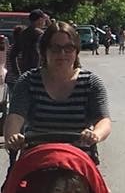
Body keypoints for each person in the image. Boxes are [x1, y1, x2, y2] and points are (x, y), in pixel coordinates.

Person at [4, 22, 111, 161]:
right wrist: (13, 136)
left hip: (78, 160)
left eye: (68, 48)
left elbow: (103, 120)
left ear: (76, 51)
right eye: (55, 48)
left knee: (97, 184)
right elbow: (15, 117)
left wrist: (95, 134)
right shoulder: (28, 81)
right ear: (44, 51)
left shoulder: (91, 83)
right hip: (36, 159)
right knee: (12, 183)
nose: (62, 53)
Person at [9, 10, 48, 80]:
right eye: (44, 20)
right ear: (40, 19)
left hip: (25, 70)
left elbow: (12, 54)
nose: (44, 23)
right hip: (40, 71)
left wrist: (17, 72)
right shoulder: (40, 34)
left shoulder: (23, 34)